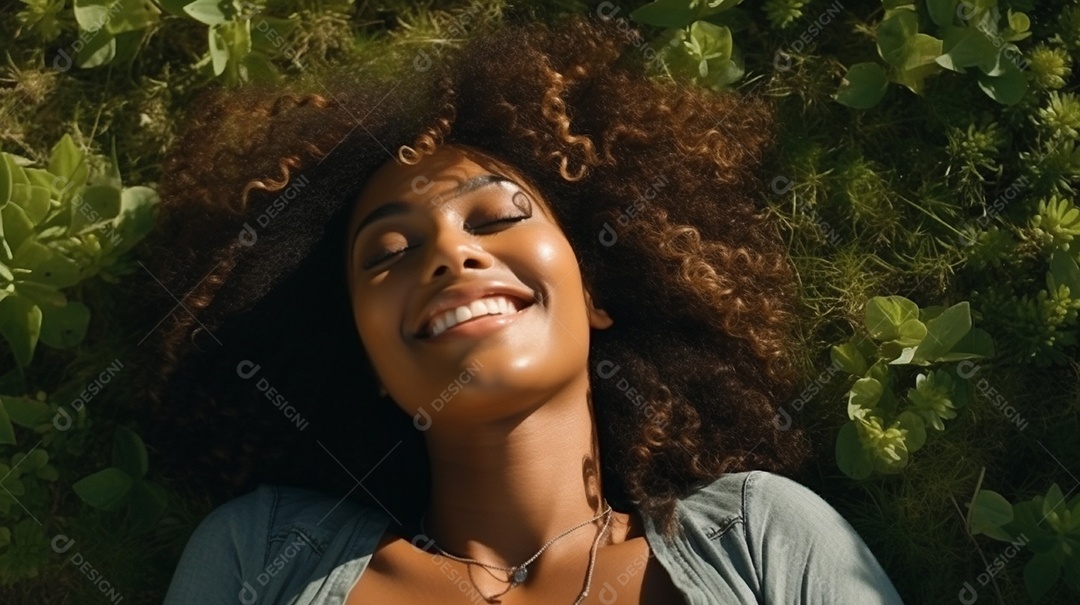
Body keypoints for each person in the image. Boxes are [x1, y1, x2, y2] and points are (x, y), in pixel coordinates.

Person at [151, 15, 905, 605]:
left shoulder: (756, 533)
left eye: (494, 219)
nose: (451, 254)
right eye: (387, 253)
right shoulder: (266, 551)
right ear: (367, 356)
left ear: (597, 293)